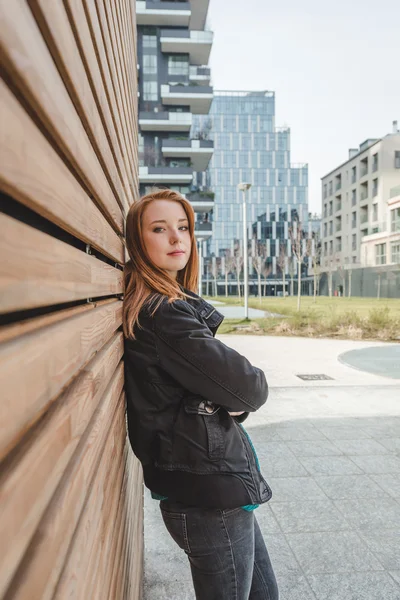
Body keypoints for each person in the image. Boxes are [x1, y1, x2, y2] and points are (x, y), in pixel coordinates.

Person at [123, 188, 279, 600]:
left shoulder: (167, 307)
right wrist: (229, 398)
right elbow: (250, 387)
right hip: (209, 497)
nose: (177, 239)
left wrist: (222, 398)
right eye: (160, 229)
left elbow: (227, 389)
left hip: (216, 487)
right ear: (138, 241)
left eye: (183, 228)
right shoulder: (163, 313)